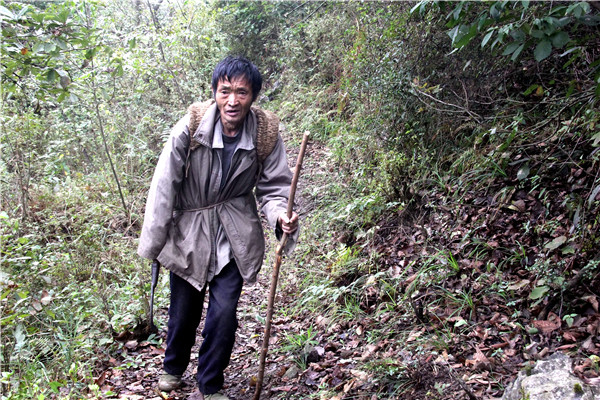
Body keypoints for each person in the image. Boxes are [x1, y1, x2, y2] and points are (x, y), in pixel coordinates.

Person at [137, 56, 299, 400]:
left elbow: (274, 189)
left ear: (253, 96)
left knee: (224, 313)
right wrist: (153, 242)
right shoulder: (190, 128)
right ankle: (173, 367)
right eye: (225, 91)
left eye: (242, 92)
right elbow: (163, 186)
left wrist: (280, 217)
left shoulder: (265, 134)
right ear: (214, 93)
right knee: (184, 311)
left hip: (235, 231)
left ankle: (210, 383)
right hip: (189, 232)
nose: (233, 100)